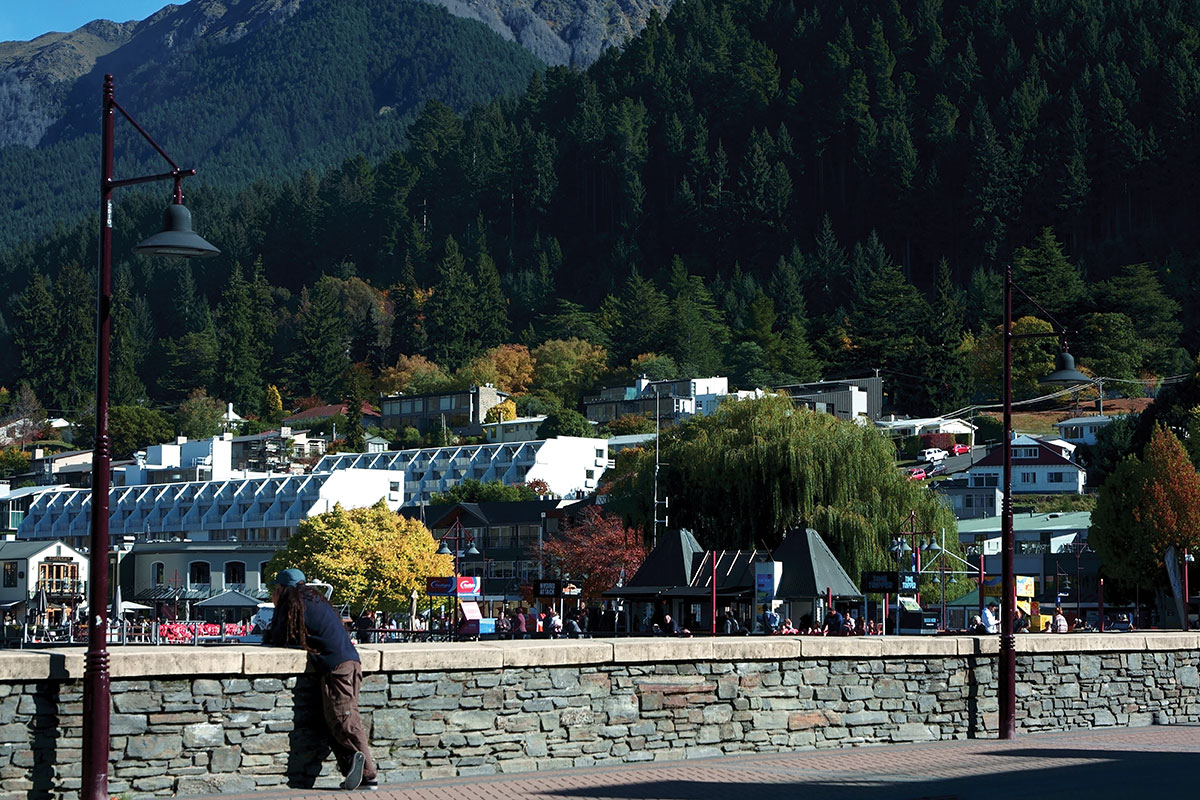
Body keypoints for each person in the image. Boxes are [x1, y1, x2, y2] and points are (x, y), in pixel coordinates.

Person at [263, 569, 377, 791]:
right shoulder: (315, 599)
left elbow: (281, 636)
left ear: (281, 589)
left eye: (275, 591)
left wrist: (276, 611)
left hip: (338, 668)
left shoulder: (294, 603)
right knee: (334, 721)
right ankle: (353, 769)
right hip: (348, 662)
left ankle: (368, 775)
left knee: (344, 719)